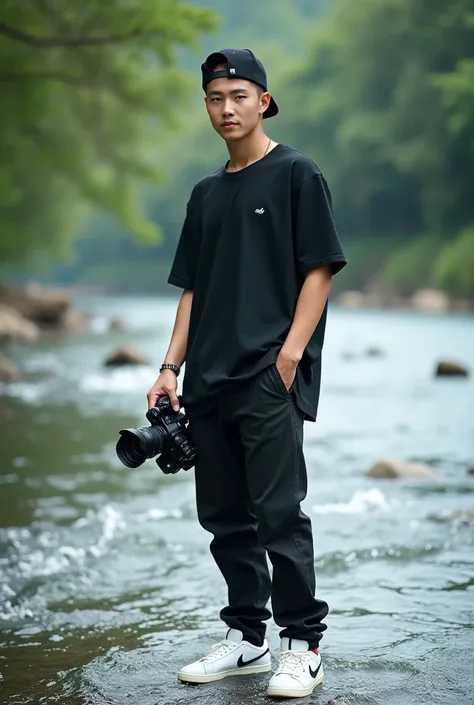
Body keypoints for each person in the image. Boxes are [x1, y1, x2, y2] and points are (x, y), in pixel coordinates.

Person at [147, 48, 347, 699]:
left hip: (268, 374)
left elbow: (318, 268)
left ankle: (302, 645)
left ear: (264, 99)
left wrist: (289, 356)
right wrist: (169, 367)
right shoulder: (207, 194)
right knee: (224, 515)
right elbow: (192, 289)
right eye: (214, 97)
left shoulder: (296, 173)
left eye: (238, 94)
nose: (225, 108)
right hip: (207, 379)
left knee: (278, 513)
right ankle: (247, 638)